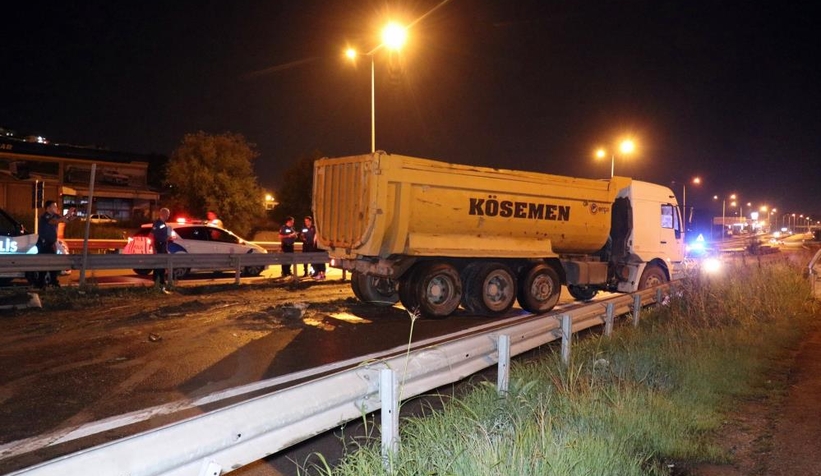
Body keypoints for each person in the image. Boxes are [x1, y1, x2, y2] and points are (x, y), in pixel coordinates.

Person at [36, 200, 76, 288]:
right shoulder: (45, 216)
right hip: (44, 244)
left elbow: (64, 220)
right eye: (54, 206)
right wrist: (67, 214)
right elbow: (54, 222)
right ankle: (41, 284)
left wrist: (71, 217)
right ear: (48, 208)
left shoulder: (55, 216)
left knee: (53, 263)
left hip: (51, 243)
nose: (56, 208)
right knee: (44, 264)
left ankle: (52, 282)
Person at [152, 208, 172, 293]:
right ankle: (159, 286)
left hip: (162, 247)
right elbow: (154, 236)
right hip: (159, 247)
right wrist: (154, 248)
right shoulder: (157, 224)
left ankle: (161, 286)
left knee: (161, 267)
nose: (168, 216)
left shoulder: (163, 224)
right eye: (167, 214)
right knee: (159, 267)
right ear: (163, 214)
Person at [301, 216, 325, 280]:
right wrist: (302, 237)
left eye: (307, 221)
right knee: (305, 259)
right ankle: (305, 272)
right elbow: (302, 235)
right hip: (306, 246)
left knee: (313, 260)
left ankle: (315, 272)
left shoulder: (314, 228)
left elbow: (317, 236)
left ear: (311, 221)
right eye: (305, 221)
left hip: (313, 246)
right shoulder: (304, 228)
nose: (306, 222)